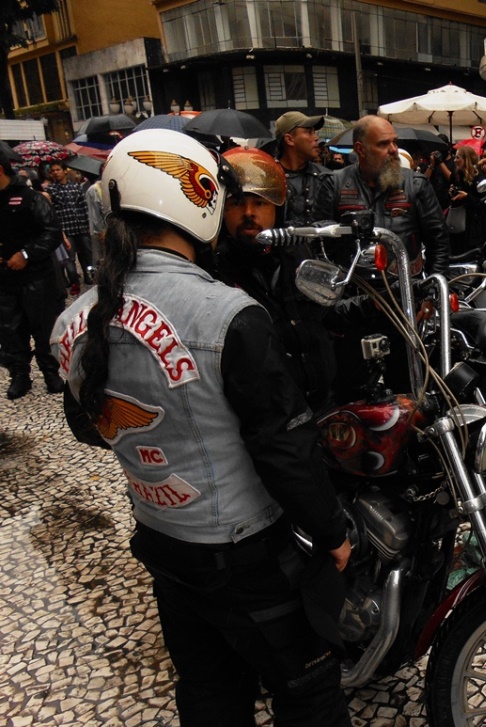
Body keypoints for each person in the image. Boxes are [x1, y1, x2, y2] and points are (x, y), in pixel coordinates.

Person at [50, 129, 352, 725]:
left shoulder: (75, 318)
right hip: (247, 553)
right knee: (311, 694)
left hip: (162, 542)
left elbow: (88, 426)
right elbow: (283, 450)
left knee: (210, 691)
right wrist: (332, 532)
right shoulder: (228, 313)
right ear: (200, 200)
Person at [216, 146, 337, 412]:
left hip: (320, 403)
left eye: (260, 203)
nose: (249, 212)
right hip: (270, 415)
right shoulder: (215, 271)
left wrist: (373, 306)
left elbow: (328, 312)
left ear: (277, 209)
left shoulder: (297, 253)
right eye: (237, 203)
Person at [318, 115, 449, 276]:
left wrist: (431, 286)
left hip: (406, 285)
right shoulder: (334, 184)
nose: (394, 149)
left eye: (395, 141)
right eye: (383, 144)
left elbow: (439, 242)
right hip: (352, 286)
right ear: (360, 149)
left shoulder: (416, 184)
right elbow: (321, 245)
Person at [0, 154, 65, 399]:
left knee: (44, 327)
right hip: (5, 280)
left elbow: (52, 232)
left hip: (37, 278)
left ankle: (51, 373)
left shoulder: (31, 198)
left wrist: (26, 254)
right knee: (10, 331)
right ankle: (20, 376)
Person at [274, 111, 333, 226]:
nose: (316, 138)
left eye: (314, 132)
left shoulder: (326, 178)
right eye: (309, 132)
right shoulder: (266, 176)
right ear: (289, 139)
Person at [46, 159, 93, 289]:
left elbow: (83, 206)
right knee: (70, 257)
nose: (55, 173)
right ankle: (74, 281)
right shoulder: (51, 189)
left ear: (64, 171)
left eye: (58, 170)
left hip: (80, 226)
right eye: (53, 171)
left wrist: (87, 224)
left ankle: (89, 275)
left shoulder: (75, 186)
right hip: (66, 229)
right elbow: (53, 212)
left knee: (86, 254)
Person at [446, 145, 486, 254]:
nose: (455, 160)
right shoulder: (456, 175)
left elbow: (483, 201)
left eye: (458, 158)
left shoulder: (477, 175)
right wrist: (451, 193)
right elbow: (452, 195)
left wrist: (467, 196)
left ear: (466, 159)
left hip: (473, 222)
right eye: (455, 157)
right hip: (458, 219)